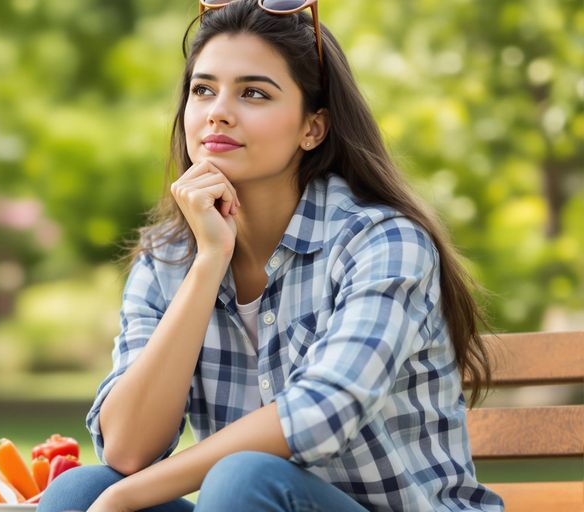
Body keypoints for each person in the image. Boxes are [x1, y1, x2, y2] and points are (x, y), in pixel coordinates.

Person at [37, 1, 503, 511]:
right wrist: (209, 260)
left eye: (254, 92)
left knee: (243, 480)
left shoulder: (382, 243)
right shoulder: (167, 257)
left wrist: (128, 498)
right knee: (80, 493)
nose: (218, 110)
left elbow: (320, 413)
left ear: (313, 128)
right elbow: (127, 448)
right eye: (203, 90)